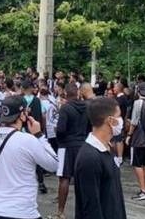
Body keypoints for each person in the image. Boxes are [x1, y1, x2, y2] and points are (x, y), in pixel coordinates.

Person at [0, 95, 58, 219]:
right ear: (23, 115)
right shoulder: (28, 141)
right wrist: (39, 135)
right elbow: (54, 164)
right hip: (22, 211)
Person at [74, 97, 126, 219]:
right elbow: (91, 207)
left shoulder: (107, 147)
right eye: (118, 116)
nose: (121, 121)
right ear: (110, 120)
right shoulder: (89, 158)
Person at [55, 83, 88, 217]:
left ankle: (60, 212)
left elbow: (61, 129)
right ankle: (83, 211)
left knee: (64, 178)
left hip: (66, 146)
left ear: (65, 94)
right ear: (78, 93)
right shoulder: (86, 107)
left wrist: (58, 136)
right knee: (82, 179)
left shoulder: (65, 108)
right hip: (82, 145)